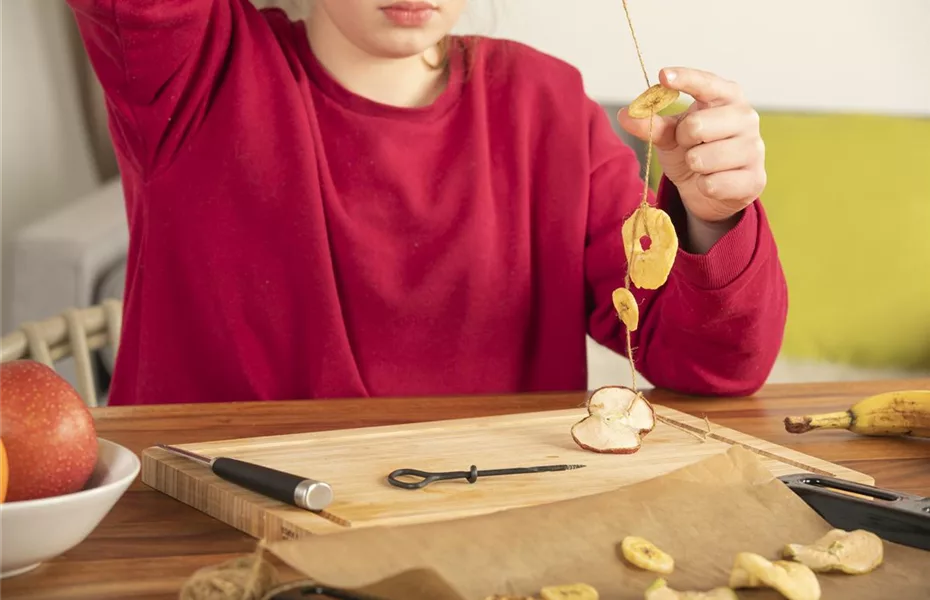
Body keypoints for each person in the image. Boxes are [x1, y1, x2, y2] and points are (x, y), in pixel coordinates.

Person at [65, 0, 787, 406]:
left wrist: (709, 214)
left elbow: (713, 364)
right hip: (221, 533)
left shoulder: (546, 105)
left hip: (479, 526)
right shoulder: (193, 69)